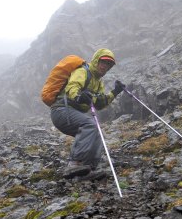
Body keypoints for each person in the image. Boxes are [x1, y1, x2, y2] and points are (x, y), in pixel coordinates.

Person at [50, 48, 126, 179]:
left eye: (109, 65)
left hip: (72, 113)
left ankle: (88, 169)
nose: (105, 66)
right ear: (96, 60)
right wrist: (79, 96)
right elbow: (72, 87)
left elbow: (100, 103)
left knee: (96, 131)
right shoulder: (83, 71)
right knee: (89, 125)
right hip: (61, 110)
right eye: (103, 62)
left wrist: (115, 92)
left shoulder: (98, 82)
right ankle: (74, 164)